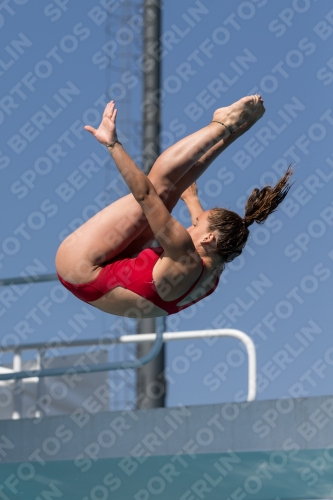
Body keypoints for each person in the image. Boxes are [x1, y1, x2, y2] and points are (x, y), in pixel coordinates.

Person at [55, 95, 292, 318]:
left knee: (159, 187)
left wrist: (113, 144)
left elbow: (145, 194)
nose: (191, 222)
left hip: (80, 266)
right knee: (175, 189)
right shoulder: (212, 271)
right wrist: (192, 199)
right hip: (100, 278)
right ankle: (230, 127)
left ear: (209, 238)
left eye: (196, 222)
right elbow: (199, 216)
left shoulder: (184, 253)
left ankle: (222, 125)